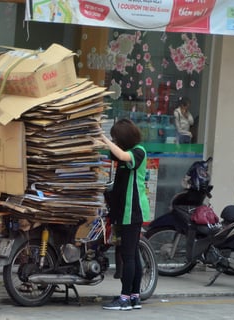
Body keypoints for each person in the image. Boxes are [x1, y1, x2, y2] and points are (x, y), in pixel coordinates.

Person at [99, 118, 150, 311]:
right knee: (133, 256)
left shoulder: (138, 152)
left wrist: (104, 138)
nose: (114, 141)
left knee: (128, 256)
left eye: (115, 138)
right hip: (125, 211)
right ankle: (135, 296)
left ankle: (124, 299)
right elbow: (113, 154)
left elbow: (120, 153)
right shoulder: (124, 154)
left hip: (132, 210)